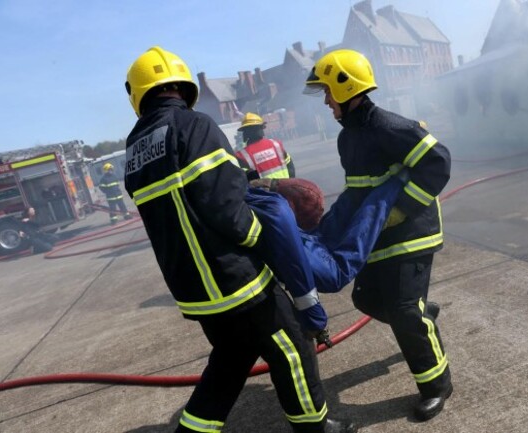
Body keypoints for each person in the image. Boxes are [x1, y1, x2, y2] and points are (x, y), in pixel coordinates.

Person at [123, 46, 356, 433]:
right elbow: (226, 207)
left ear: (138, 93)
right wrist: (269, 241)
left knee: (230, 360)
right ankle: (315, 427)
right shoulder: (194, 126)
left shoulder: (135, 152)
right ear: (182, 86)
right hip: (235, 279)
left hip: (194, 291)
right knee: (292, 348)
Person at [304, 49, 453, 422]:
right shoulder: (348, 138)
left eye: (327, 91)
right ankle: (421, 317)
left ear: (345, 87)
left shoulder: (389, 126)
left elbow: (438, 162)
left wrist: (401, 209)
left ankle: (436, 385)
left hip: (412, 232)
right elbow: (359, 190)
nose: (325, 101)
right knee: (366, 298)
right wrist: (335, 225)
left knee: (403, 310)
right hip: (377, 237)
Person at [235, 112, 295, 180]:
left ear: (245, 132)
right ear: (262, 128)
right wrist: (289, 183)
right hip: (285, 185)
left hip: (263, 187)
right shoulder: (276, 144)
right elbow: (290, 167)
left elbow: (245, 180)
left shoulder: (242, 155)